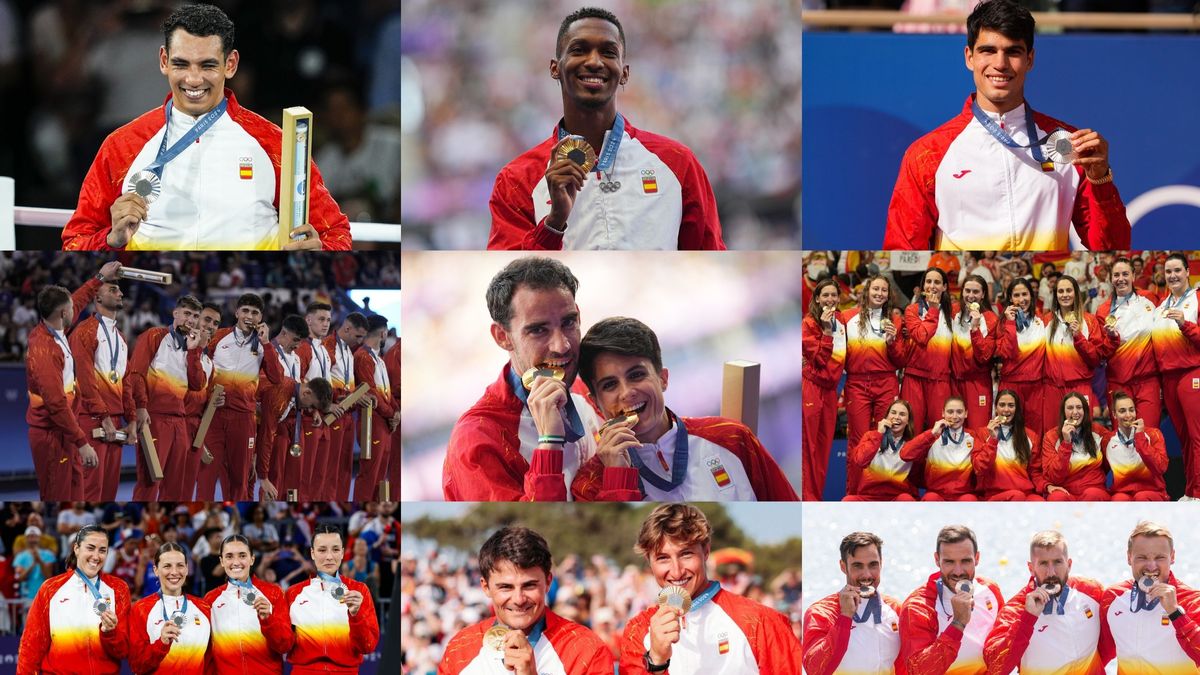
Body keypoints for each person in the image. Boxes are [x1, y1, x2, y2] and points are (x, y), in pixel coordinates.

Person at [61, 3, 351, 251]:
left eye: (208, 65)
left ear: (231, 64)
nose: (194, 79)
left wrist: (322, 249)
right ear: (164, 61)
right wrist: (110, 240)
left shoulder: (275, 144)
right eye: (181, 64)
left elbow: (336, 232)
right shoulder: (123, 144)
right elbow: (75, 240)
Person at [884, 0, 1130, 251]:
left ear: (1030, 59)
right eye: (988, 50)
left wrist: (1100, 180)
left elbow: (1113, 249)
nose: (1000, 63)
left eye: (1013, 51)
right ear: (969, 57)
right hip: (968, 289)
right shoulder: (928, 154)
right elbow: (902, 254)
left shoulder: (1067, 144)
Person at [488, 7, 723, 251]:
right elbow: (515, 283)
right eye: (579, 50)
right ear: (555, 68)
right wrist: (554, 223)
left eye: (608, 52)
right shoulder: (517, 180)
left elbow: (709, 262)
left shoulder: (678, 164)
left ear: (625, 73)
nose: (594, 62)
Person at [571, 317, 797, 501]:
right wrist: (617, 477)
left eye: (636, 375)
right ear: (595, 401)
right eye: (609, 385)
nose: (627, 392)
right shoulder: (589, 485)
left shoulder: (731, 437)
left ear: (663, 378)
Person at [443, 257, 603, 500]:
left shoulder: (586, 391)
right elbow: (523, 533)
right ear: (502, 336)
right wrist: (549, 443)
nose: (562, 345)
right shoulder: (477, 439)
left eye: (568, 322)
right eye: (538, 330)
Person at [621, 504, 801, 673]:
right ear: (648, 562)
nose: (676, 572)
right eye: (662, 558)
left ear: (706, 551)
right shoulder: (637, 631)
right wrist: (656, 662)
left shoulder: (761, 621)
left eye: (686, 554)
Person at [438, 526, 614, 674]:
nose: (519, 599)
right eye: (505, 587)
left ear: (548, 583)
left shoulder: (587, 650)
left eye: (529, 585)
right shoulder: (459, 648)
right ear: (485, 587)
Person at [26, 263, 117, 499]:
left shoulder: (56, 329)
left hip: (64, 431)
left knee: (76, 493)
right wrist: (82, 442)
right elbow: (56, 404)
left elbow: (76, 300)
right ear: (63, 314)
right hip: (52, 435)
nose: (75, 310)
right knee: (59, 497)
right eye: (70, 310)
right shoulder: (44, 350)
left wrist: (99, 277)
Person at [983, 530, 1103, 673]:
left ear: (1069, 564)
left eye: (1058, 562)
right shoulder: (1014, 610)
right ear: (1031, 568)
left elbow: (1108, 645)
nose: (1051, 572)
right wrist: (1028, 619)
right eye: (1044, 564)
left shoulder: (1092, 591)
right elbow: (996, 667)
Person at [200, 293, 283, 500]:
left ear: (260, 317)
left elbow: (276, 377)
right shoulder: (218, 337)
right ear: (236, 312)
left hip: (244, 418)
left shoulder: (265, 346)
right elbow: (199, 370)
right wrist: (208, 395)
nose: (249, 316)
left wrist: (266, 344)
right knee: (206, 475)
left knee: (240, 477)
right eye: (245, 310)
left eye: (254, 313)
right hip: (214, 415)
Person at [17, 525, 132, 673]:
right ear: (76, 549)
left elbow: (123, 652)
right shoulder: (50, 589)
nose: (96, 556)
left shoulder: (119, 589)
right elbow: (30, 647)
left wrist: (110, 633)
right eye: (90, 548)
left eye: (102, 550)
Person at [127, 294, 207, 501]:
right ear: (175, 313)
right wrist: (141, 407)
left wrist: (193, 352)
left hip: (179, 421)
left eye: (195, 316)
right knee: (150, 482)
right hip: (154, 418)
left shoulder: (192, 347)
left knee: (174, 486)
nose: (190, 320)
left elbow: (197, 384)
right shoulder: (155, 335)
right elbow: (136, 373)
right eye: (187, 314)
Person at [69, 273, 137, 500]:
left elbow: (126, 383)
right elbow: (85, 381)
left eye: (120, 290)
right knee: (90, 490)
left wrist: (132, 420)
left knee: (109, 491)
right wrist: (104, 417)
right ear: (96, 297)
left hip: (115, 421)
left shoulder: (120, 337)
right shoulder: (85, 331)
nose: (121, 293)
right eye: (113, 290)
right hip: (92, 419)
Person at [901, 526, 1003, 674]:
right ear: (937, 560)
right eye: (949, 562)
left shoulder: (990, 590)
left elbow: (1001, 655)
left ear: (977, 558)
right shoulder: (917, 607)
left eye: (965, 561)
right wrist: (958, 624)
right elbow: (919, 671)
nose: (958, 571)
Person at [1099, 522, 1200, 670]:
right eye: (1142, 557)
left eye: (1160, 557)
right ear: (1129, 557)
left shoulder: (1193, 600)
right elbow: (1098, 656)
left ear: (1172, 557)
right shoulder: (1113, 597)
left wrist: (1175, 613)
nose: (1151, 566)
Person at [841, 274, 908, 494]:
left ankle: (882, 492)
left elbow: (900, 360)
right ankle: (854, 493)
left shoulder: (895, 320)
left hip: (886, 382)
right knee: (859, 440)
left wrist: (891, 343)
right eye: (876, 289)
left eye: (884, 291)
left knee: (886, 438)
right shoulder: (847, 317)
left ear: (889, 295)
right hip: (857, 384)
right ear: (867, 290)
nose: (879, 294)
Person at [802, 531, 904, 675]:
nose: (867, 575)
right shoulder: (821, 613)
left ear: (881, 563)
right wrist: (845, 617)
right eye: (858, 566)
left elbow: (905, 667)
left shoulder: (895, 608)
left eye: (873, 565)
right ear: (843, 567)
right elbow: (815, 670)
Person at [284, 524, 379, 673]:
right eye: (322, 550)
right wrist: (269, 621)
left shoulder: (359, 591)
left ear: (342, 553)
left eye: (335, 550)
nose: (329, 556)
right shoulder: (293, 593)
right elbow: (282, 645)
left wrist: (356, 616)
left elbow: (367, 646)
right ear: (312, 553)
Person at [204, 534, 292, 673]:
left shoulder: (273, 593)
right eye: (229, 556)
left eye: (242, 555)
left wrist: (268, 620)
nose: (236, 562)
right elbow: (207, 652)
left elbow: (285, 646)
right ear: (221, 561)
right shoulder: (211, 599)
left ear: (252, 559)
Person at [1151, 254, 1200, 500]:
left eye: (1177, 270)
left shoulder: (1197, 299)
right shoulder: (1161, 307)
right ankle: (1191, 492)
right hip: (1168, 379)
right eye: (1168, 271)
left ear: (1187, 271)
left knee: (1197, 436)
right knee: (1184, 439)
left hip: (1192, 373)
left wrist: (1185, 325)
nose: (1173, 275)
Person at [1095, 257, 1161, 427]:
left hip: (1148, 381)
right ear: (1111, 278)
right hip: (1119, 383)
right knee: (1123, 440)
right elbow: (1102, 353)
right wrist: (1111, 338)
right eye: (1116, 275)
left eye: (1125, 273)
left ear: (1133, 276)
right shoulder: (1103, 311)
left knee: (1149, 434)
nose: (1121, 278)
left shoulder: (1150, 299)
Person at [129, 542, 212, 673]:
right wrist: (161, 643)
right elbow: (137, 666)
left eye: (180, 565)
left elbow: (209, 662)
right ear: (156, 570)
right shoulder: (141, 609)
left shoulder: (203, 607)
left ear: (187, 569)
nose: (174, 572)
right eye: (167, 566)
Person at [1042, 275, 1106, 427]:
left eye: (1069, 290)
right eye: (1061, 291)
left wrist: (1079, 336)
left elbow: (1096, 359)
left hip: (1080, 386)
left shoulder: (1089, 321)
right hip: (1053, 388)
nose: (1065, 295)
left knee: (1082, 438)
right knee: (1053, 435)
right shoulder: (1045, 321)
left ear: (1076, 293)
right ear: (1055, 295)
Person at [802, 279, 846, 500]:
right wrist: (827, 332)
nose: (830, 299)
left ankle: (815, 497)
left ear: (839, 298)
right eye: (825, 295)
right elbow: (818, 359)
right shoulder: (809, 323)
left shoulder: (842, 321)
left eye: (834, 295)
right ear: (817, 298)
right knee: (808, 451)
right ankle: (807, 498)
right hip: (811, 388)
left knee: (822, 451)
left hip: (831, 391)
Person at [902, 268, 956, 430]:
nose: (932, 286)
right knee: (912, 430)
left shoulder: (952, 313)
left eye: (937, 282)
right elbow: (921, 337)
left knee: (939, 431)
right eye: (928, 281)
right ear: (923, 285)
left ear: (945, 287)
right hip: (914, 378)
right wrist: (933, 309)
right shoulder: (912, 310)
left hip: (941, 381)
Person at [324, 312, 370, 500]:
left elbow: (346, 384)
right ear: (347, 328)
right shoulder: (327, 347)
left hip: (348, 415)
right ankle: (329, 501)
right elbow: (320, 381)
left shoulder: (350, 353)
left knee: (344, 467)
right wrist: (331, 402)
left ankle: (342, 501)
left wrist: (357, 395)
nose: (360, 341)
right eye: (358, 336)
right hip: (333, 414)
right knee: (331, 467)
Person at [353, 314, 399, 501]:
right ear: (383, 333)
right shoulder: (362, 356)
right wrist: (391, 413)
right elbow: (370, 391)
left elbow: (386, 392)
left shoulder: (379, 359)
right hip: (371, 423)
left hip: (384, 423)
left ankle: (376, 505)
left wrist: (396, 411)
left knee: (380, 476)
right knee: (369, 474)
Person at [996, 277, 1048, 438]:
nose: (1021, 299)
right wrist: (1011, 323)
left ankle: (1033, 463)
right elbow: (1006, 353)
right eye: (1016, 295)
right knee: (1008, 431)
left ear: (1031, 296)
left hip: (1036, 386)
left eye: (1024, 294)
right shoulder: (1002, 323)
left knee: (1035, 433)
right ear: (1010, 298)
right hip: (1011, 385)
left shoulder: (1042, 321)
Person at [900, 397, 981, 501]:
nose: (955, 416)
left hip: (964, 494)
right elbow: (905, 454)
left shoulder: (973, 436)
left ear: (966, 413)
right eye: (950, 412)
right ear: (943, 413)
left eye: (959, 412)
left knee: (970, 500)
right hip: (936, 494)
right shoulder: (933, 435)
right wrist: (932, 433)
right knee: (930, 498)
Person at [973, 389, 1043, 501]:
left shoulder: (1030, 435)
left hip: (1024, 493)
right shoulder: (983, 433)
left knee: (1039, 502)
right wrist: (993, 440)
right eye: (1002, 405)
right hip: (995, 494)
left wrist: (1047, 486)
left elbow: (1035, 472)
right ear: (995, 408)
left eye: (1011, 405)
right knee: (1017, 496)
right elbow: (979, 468)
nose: (1006, 409)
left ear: (1016, 409)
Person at [1041, 392, 1110, 501]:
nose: (1075, 412)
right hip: (1066, 490)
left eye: (1079, 407)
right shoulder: (1050, 437)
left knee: (1092, 494)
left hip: (1094, 489)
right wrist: (1066, 443)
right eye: (1070, 408)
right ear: (1063, 412)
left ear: (1085, 411)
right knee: (1057, 497)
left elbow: (1111, 462)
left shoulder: (1099, 431)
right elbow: (1053, 477)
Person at [845, 400, 918, 501]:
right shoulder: (871, 436)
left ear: (908, 421)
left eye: (902, 414)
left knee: (906, 499)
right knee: (848, 501)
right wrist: (878, 434)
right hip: (869, 497)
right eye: (893, 412)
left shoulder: (911, 444)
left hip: (896, 498)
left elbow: (917, 478)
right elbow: (860, 460)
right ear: (886, 417)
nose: (896, 417)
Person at [295, 302, 333, 495]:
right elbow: (299, 384)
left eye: (328, 319)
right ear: (308, 320)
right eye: (321, 319)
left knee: (320, 475)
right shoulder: (302, 348)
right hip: (308, 417)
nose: (325, 324)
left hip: (322, 418)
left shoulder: (324, 350)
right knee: (305, 475)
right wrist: (314, 409)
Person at [952, 275, 999, 429]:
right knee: (953, 430)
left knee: (978, 430)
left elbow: (984, 356)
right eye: (967, 291)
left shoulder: (991, 319)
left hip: (978, 383)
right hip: (953, 381)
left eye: (976, 292)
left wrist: (975, 328)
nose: (970, 296)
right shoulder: (953, 312)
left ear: (983, 294)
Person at [1103, 392, 1168, 501]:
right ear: (1114, 414)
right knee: (1118, 500)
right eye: (1122, 411)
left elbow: (1161, 468)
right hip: (1122, 492)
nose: (1128, 415)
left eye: (1131, 410)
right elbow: (1099, 470)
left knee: (1141, 497)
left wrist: (1140, 437)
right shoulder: (1107, 440)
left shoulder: (1153, 434)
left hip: (1152, 492)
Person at [14, 526, 55, 601]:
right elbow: (20, 578)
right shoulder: (20, 556)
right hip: (26, 596)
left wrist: (39, 561)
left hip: (44, 595)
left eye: (34, 536)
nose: (32, 538)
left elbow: (48, 576)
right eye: (29, 536)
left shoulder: (48, 555)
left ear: (39, 538)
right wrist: (33, 564)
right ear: (26, 538)